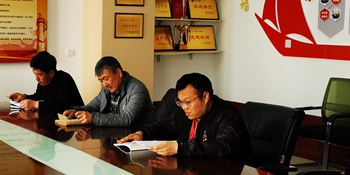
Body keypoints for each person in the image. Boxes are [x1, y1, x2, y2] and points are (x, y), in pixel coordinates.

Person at [117, 73, 250, 160]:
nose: (184, 107)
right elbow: (164, 127)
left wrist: (180, 147)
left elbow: (222, 147)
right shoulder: (185, 113)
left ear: (205, 96)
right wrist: (142, 133)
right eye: (180, 102)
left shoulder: (228, 116)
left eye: (187, 102)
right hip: (198, 170)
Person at [62, 56, 154, 128]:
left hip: (140, 139)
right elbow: (92, 107)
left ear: (119, 72)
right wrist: (76, 111)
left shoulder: (137, 89)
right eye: (101, 81)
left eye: (106, 79)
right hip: (117, 137)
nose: (104, 84)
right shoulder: (106, 90)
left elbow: (126, 119)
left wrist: (93, 118)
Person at [8, 51, 83, 114]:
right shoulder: (43, 81)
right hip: (53, 119)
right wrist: (24, 97)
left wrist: (36, 104)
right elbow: (39, 96)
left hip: (73, 121)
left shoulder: (65, 80)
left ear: (51, 73)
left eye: (39, 75)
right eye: (35, 74)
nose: (37, 78)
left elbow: (61, 105)